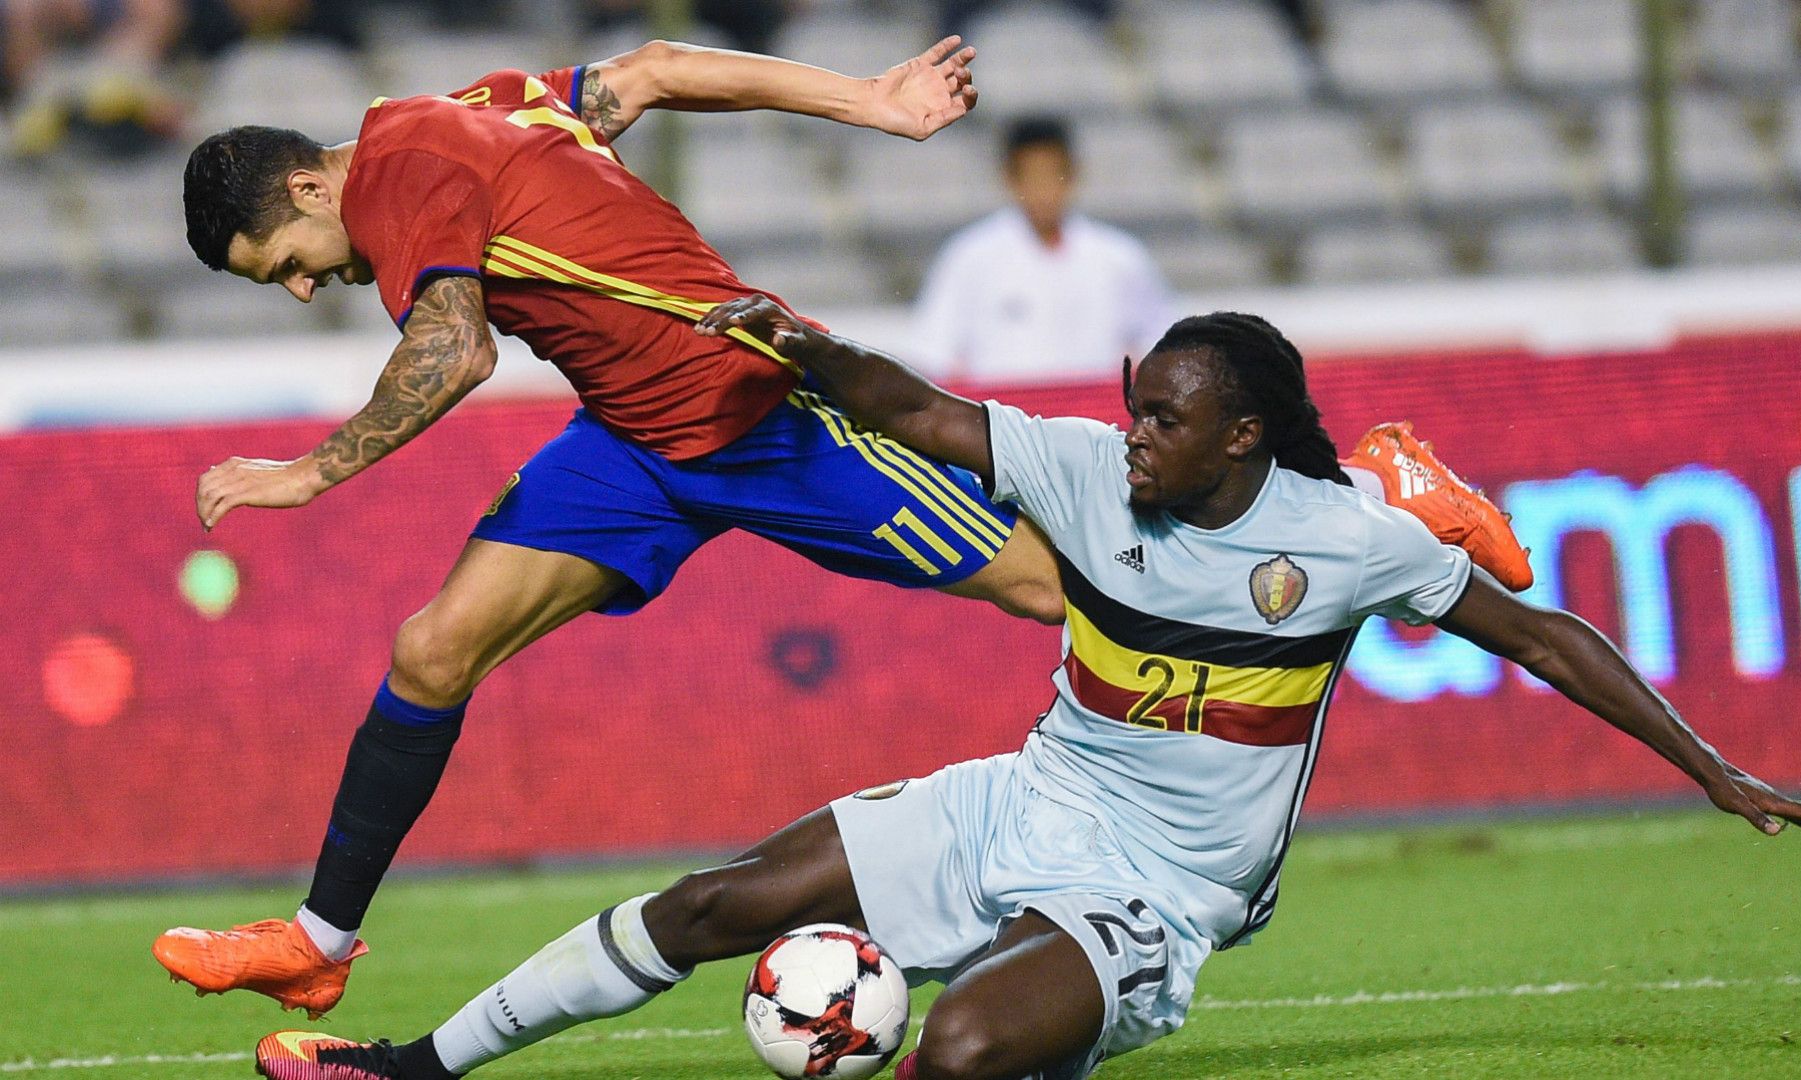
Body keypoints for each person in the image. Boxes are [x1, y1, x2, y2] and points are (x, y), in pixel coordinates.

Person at [152, 33, 1530, 1021]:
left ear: (311, 189)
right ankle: (321, 943)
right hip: (632, 443)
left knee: (1063, 589)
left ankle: (1375, 504)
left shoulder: (397, 176)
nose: (303, 291)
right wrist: (866, 101)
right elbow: (655, 70)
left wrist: (307, 473)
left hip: (767, 414)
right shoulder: (469, 112)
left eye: (285, 270)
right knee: (432, 650)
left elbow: (452, 350)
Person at [248, 296, 1801, 1080]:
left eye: (1166, 420)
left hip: (1167, 886)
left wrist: (1713, 767)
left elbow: (1546, 636)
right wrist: (798, 347)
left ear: (1241, 439)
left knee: (953, 1053)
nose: (1133, 433)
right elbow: (917, 407)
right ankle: (410, 1069)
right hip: (1031, 794)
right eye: (1134, 407)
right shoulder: (1087, 468)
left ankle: (1415, 477)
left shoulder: (1340, 547)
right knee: (718, 902)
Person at [908, 115, 1175, 382]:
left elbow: (1160, 341)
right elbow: (934, 352)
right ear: (1010, 178)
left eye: (1053, 175)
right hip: (1001, 404)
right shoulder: (970, 257)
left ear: (1073, 175)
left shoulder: (1119, 257)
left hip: (1093, 405)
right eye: (1033, 177)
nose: (1044, 190)